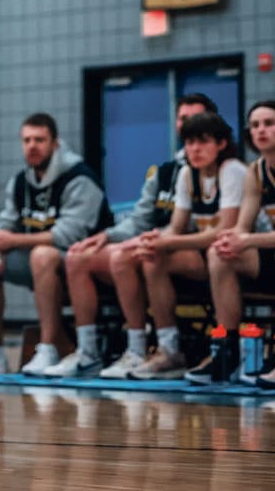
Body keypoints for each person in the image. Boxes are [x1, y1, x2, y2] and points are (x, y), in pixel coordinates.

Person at [52, 93, 217, 379]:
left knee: (132, 255)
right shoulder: (164, 172)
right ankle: (90, 352)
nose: (186, 125)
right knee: (78, 257)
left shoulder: (220, 169)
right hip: (153, 245)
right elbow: (139, 220)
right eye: (182, 118)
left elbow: (197, 226)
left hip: (190, 250)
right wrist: (107, 235)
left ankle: (152, 348)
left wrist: (148, 240)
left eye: (193, 118)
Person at [0, 113, 114, 375]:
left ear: (55, 143)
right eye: (27, 140)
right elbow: (9, 221)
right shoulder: (20, 182)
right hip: (41, 259)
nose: (32, 146)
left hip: (83, 262)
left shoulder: (80, 178)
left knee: (42, 255)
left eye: (39, 140)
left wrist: (13, 239)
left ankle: (48, 347)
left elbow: (69, 235)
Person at [126, 112, 247, 380]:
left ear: (221, 144)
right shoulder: (186, 175)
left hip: (247, 253)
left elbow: (223, 231)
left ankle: (228, 349)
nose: (194, 149)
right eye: (190, 142)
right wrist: (153, 241)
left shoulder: (233, 171)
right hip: (210, 255)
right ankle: (170, 350)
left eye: (203, 141)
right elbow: (176, 227)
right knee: (153, 257)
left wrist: (168, 241)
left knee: (218, 251)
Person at [204, 100, 275, 387]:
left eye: (269, 123)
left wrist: (248, 239)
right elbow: (242, 227)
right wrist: (232, 240)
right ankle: (228, 348)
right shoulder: (255, 172)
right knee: (220, 254)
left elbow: (250, 236)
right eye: (255, 125)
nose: (261, 130)